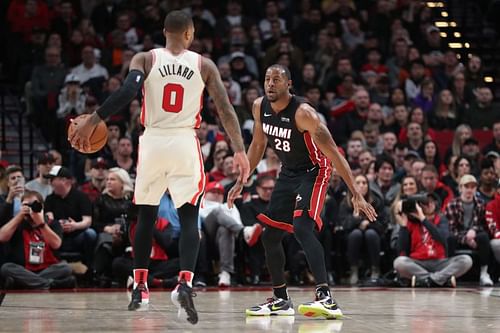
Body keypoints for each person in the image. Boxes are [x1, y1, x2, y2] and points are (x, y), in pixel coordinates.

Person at [69, 11, 250, 324]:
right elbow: (224, 108)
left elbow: (127, 92)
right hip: (184, 143)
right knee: (190, 215)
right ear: (190, 34)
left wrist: (95, 120)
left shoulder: (146, 58)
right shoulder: (203, 65)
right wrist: (240, 150)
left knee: (146, 215)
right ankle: (185, 283)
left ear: (165, 31)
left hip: (152, 141)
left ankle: (140, 286)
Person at [228, 64, 376, 319]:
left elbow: (334, 154)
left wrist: (355, 192)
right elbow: (258, 145)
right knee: (270, 236)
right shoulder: (259, 107)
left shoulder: (304, 114)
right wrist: (243, 178)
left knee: (302, 227)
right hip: (288, 172)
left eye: (276, 79)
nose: (270, 84)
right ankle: (280, 300)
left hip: (315, 171)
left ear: (289, 84)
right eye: (267, 79)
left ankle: (326, 298)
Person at [393, 193, 472, 287]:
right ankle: (438, 279)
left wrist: (423, 219)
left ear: (436, 204)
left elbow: (442, 237)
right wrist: (403, 226)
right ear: (418, 206)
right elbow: (401, 249)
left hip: (440, 262)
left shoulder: (441, 219)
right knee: (399, 262)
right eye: (425, 203)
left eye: (431, 202)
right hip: (418, 263)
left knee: (466, 260)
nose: (429, 205)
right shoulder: (411, 222)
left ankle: (426, 280)